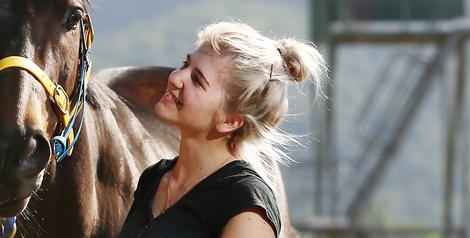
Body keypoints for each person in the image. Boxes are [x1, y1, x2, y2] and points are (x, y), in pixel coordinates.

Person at [118, 21, 327, 238]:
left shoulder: (244, 204)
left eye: (197, 80)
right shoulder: (154, 177)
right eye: (184, 64)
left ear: (230, 121)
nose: (175, 78)